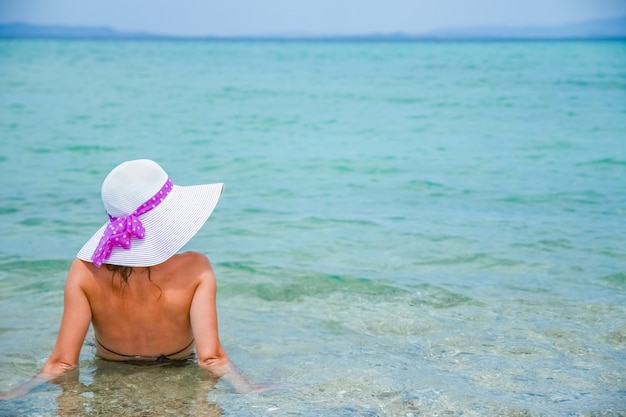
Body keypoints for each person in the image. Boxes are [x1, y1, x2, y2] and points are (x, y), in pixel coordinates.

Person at [1, 159, 265, 400]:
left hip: (109, 376)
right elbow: (211, 359)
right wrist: (249, 389)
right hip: (175, 375)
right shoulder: (196, 268)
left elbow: (62, 364)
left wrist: (18, 392)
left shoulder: (84, 271)